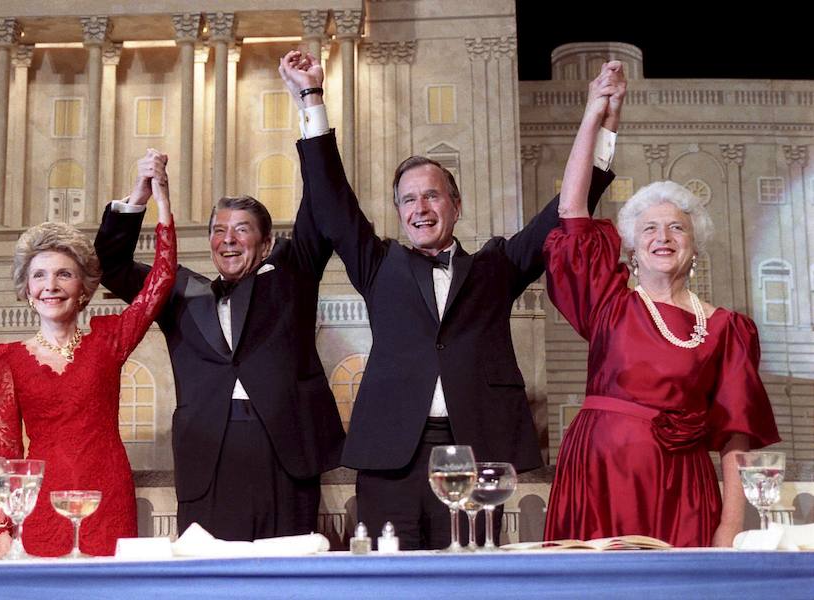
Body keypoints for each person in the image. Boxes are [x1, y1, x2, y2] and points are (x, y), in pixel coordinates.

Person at [280, 50, 619, 549]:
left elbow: (565, 212)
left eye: (433, 196)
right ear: (397, 212)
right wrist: (311, 98)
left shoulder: (495, 267)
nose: (421, 208)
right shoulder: (378, 264)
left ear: (455, 205)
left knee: (470, 580)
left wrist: (600, 121)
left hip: (475, 455)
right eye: (409, 199)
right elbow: (331, 199)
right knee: (388, 586)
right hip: (390, 458)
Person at [542, 63, 780, 547]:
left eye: (677, 227)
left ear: (695, 245)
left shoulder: (727, 329)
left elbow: (737, 442)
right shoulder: (608, 304)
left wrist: (729, 529)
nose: (663, 236)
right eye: (649, 228)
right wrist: (596, 117)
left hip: (682, 490)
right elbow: (572, 210)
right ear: (632, 245)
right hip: (597, 477)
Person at [93, 149, 345, 541]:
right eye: (219, 230)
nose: (228, 240)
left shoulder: (290, 279)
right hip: (207, 456)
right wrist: (139, 197)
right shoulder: (179, 291)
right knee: (207, 576)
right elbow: (110, 265)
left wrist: (311, 113)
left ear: (266, 244)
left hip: (284, 452)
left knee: (284, 574)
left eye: (242, 229)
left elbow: (320, 209)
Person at [0, 168, 176, 557]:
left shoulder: (110, 339)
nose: (50, 285)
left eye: (63, 274)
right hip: (38, 502)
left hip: (108, 494)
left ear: (83, 288)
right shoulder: (2, 360)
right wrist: (1, 527)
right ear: (27, 289)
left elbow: (162, 280)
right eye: (39, 275)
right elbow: (4, 452)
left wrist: (161, 201)